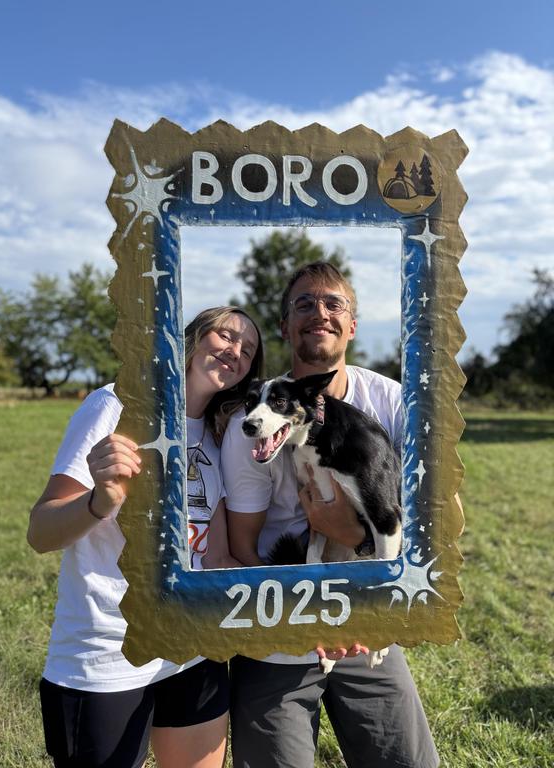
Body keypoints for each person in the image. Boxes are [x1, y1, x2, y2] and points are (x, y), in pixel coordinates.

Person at [222, 262, 439, 768]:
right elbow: (243, 549)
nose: (319, 312)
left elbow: (436, 521)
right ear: (284, 326)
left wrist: (363, 572)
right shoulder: (251, 425)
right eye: (303, 304)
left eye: (333, 303)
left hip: (365, 617)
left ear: (352, 325)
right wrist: (303, 619)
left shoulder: (391, 401)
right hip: (280, 623)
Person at [28, 306, 263, 768]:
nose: (235, 350)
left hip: (192, 652)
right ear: (193, 337)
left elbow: (216, 558)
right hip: (108, 655)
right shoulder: (117, 404)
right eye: (226, 335)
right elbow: (41, 532)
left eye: (249, 350)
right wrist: (100, 501)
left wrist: (305, 605)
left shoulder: (219, 436)